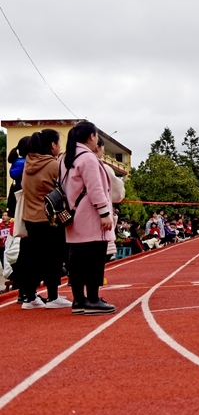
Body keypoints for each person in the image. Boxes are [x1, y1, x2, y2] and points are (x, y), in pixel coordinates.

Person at [60, 121, 116, 315]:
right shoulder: (88, 158)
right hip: (90, 217)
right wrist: (104, 213)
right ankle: (92, 299)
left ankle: (78, 300)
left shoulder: (66, 157)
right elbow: (95, 188)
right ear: (92, 136)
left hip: (72, 216)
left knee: (76, 260)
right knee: (94, 259)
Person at [19, 129, 71, 309]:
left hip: (30, 218)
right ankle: (53, 296)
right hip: (51, 219)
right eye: (58, 143)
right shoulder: (53, 165)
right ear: (52, 146)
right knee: (54, 257)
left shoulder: (28, 164)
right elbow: (67, 187)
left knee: (33, 258)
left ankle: (30, 297)